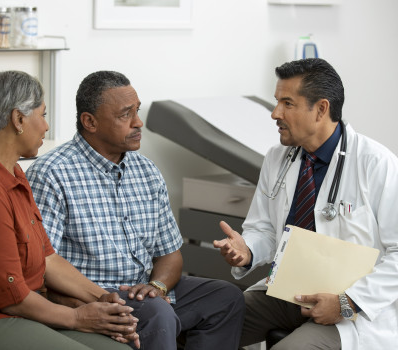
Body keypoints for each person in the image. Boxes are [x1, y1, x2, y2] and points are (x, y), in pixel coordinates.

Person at [213, 58, 398, 350]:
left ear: (321, 109)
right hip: (286, 292)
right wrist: (248, 250)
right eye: (276, 102)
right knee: (208, 325)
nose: (275, 113)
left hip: (352, 308)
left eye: (287, 103)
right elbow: (264, 228)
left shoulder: (376, 164)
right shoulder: (278, 158)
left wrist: (346, 301)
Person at [0, 71, 140, 350]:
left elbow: (47, 259)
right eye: (42, 115)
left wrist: (102, 299)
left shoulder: (13, 173)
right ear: (18, 119)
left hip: (8, 312)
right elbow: (12, 298)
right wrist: (78, 317)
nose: (46, 126)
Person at [26, 70, 245, 350]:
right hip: (93, 295)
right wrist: (119, 298)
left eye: (137, 111)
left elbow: (170, 255)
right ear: (89, 122)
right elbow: (44, 262)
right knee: (157, 313)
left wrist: (158, 287)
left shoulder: (147, 171)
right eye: (125, 114)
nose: (138, 122)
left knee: (226, 297)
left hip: (145, 292)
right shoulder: (51, 174)